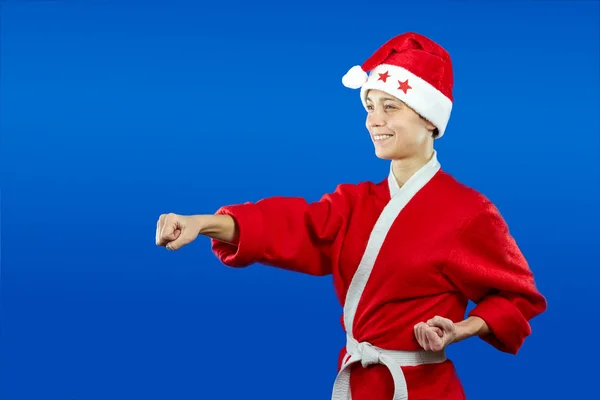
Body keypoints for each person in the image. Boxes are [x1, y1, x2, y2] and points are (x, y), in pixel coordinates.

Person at [155, 32, 547, 400]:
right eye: (370, 107)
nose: (373, 120)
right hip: (359, 383)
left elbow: (516, 296)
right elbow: (288, 226)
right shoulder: (354, 202)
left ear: (430, 119)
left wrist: (461, 329)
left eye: (389, 107)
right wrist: (201, 222)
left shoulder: (469, 212)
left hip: (423, 388)